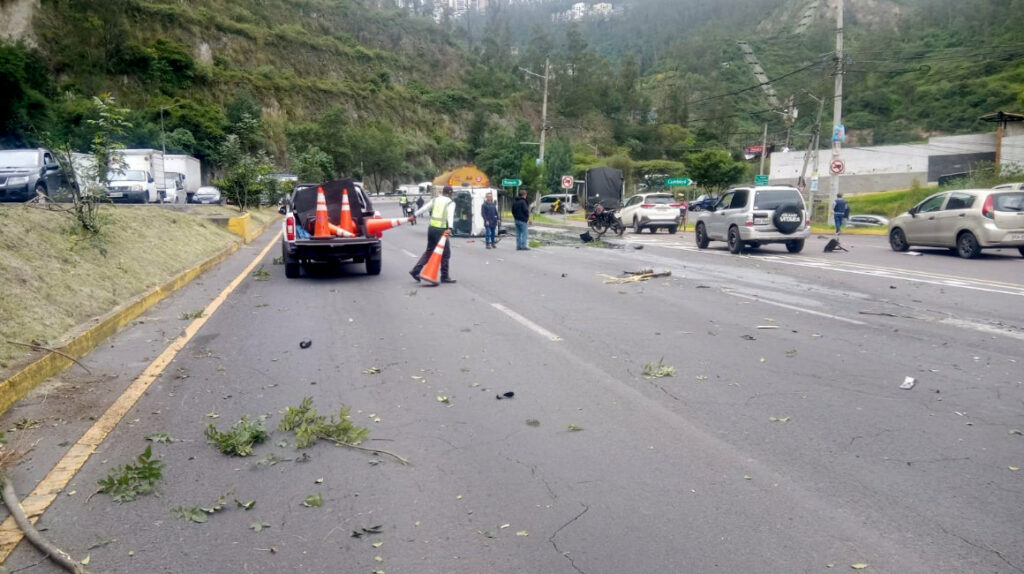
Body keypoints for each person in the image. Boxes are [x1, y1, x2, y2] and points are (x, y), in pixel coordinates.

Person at [410, 185, 456, 284]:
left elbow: (424, 208)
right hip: (441, 230)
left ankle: (415, 270)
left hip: (431, 229)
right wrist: (450, 228)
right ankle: (444, 276)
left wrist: (414, 215)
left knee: (429, 251)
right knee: (446, 253)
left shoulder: (435, 200)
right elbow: (450, 215)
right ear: (450, 193)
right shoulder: (450, 202)